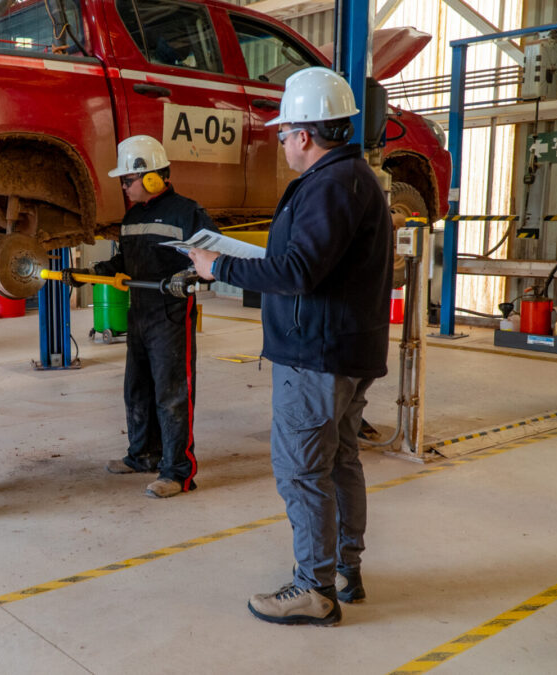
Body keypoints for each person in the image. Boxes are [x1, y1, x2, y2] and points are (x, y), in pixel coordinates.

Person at [187, 67, 393, 625]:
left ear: (304, 134)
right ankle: (345, 570)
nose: (279, 141)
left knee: (303, 471)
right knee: (341, 460)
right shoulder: (351, 179)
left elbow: (299, 270)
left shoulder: (330, 185)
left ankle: (314, 588)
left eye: (282, 132)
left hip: (316, 355)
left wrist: (218, 265)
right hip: (345, 349)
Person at [62, 135, 217, 499]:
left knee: (172, 394)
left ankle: (178, 471)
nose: (123, 186)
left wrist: (188, 276)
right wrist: (91, 271)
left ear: (151, 177)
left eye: (126, 180)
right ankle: (143, 454)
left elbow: (214, 259)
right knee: (137, 389)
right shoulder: (132, 218)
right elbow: (124, 263)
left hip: (171, 316)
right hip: (140, 314)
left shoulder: (187, 213)